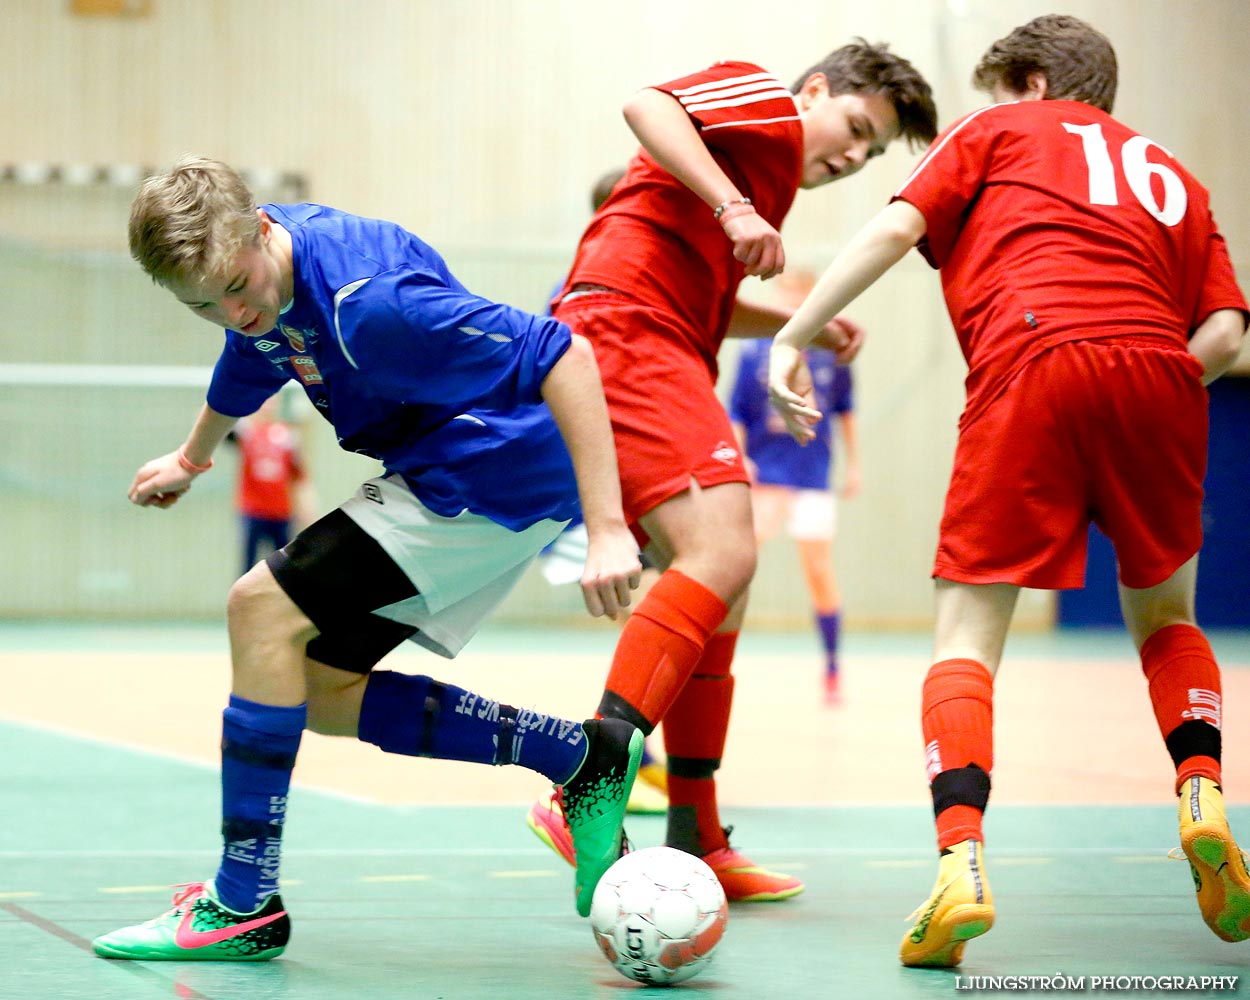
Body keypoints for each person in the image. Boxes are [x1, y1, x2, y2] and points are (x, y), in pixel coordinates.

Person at [767, 14, 1249, 966]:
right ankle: (1202, 789)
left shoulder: (998, 131)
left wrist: (794, 332)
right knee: (1167, 619)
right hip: (1165, 371)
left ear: (1030, 83)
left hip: (1030, 360)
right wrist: (1144, 382)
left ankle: (960, 866)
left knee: (967, 639)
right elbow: (1229, 335)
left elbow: (898, 226)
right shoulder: (1176, 176)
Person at [91, 155, 646, 962]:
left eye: (238, 288)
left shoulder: (374, 305)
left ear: (261, 230)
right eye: (204, 305)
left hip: (493, 469)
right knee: (307, 689)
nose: (232, 311)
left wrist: (608, 527)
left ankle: (241, 902)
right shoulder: (257, 280)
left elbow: (564, 354)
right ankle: (580, 755)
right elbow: (252, 355)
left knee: (259, 610)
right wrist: (193, 456)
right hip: (446, 467)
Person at [526, 41, 937, 903]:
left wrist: (803, 321)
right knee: (724, 549)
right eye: (857, 128)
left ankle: (697, 835)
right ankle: (589, 781)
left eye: (871, 153)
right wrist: (733, 209)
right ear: (816, 91)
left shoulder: (762, 175)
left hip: (662, 332)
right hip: (627, 330)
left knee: (725, 583)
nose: (855, 156)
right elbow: (646, 102)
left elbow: (707, 298)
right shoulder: (767, 111)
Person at [729, 270, 860, 704]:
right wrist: (740, 458)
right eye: (788, 296)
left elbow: (844, 410)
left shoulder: (829, 350)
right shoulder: (755, 352)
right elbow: (737, 412)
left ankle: (833, 665)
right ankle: (715, 657)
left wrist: (854, 465)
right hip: (766, 474)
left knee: (819, 570)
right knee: (737, 563)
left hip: (812, 473)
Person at [226, 390, 314, 575]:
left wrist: (306, 509)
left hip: (281, 512)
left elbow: (299, 476)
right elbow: (221, 427)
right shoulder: (246, 431)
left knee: (283, 567)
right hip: (252, 511)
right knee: (247, 565)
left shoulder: (287, 435)